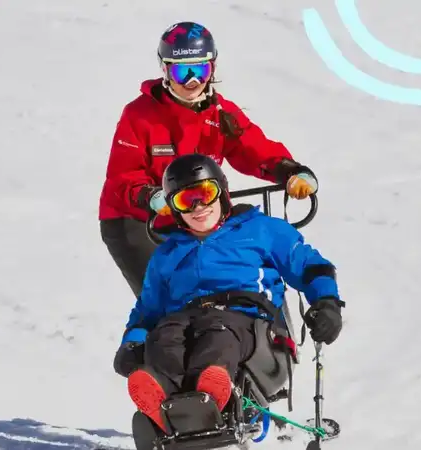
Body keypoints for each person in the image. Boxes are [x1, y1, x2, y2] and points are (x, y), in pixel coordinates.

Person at [111, 154, 344, 433]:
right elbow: (147, 309)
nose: (198, 207)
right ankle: (163, 401)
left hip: (245, 318)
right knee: (164, 337)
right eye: (185, 201)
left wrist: (326, 302)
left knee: (217, 333)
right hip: (184, 317)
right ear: (174, 209)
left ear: (221, 191)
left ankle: (208, 391)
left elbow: (309, 266)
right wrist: (134, 342)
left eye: (205, 194)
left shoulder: (260, 229)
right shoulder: (167, 253)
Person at [99, 20, 321, 298]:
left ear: (212, 68)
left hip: (198, 214)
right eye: (182, 72)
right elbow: (123, 175)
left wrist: (289, 171)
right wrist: (151, 197)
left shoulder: (220, 114)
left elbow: (253, 147)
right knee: (169, 299)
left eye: (200, 70)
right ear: (165, 70)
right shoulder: (139, 115)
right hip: (138, 221)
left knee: (233, 288)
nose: (192, 82)